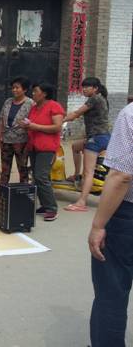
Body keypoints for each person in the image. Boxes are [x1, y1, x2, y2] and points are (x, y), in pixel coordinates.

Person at [88, 102, 133, 347]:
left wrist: (98, 225)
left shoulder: (130, 115)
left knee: (112, 291)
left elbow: (122, 175)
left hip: (127, 215)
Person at [63, 77, 110, 212]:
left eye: (87, 87)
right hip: (103, 137)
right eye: (83, 87)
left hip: (96, 139)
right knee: (75, 146)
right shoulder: (101, 98)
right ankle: (76, 174)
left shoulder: (94, 99)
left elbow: (76, 113)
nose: (84, 89)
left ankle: (81, 202)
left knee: (88, 172)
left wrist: (59, 121)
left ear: (95, 88)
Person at [19, 82, 64, 222]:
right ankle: (45, 205)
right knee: (38, 176)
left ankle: (52, 208)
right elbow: (32, 125)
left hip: (47, 147)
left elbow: (57, 127)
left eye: (35, 91)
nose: (33, 94)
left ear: (44, 93)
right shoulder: (34, 108)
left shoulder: (54, 106)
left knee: (41, 176)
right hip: (34, 146)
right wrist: (26, 126)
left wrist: (35, 126)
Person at [0, 76, 34, 185]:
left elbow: (33, 121)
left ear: (24, 89)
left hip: (21, 141)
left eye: (17, 88)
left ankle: (24, 190)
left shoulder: (30, 103)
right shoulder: (8, 102)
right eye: (13, 88)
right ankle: (3, 190)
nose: (14, 90)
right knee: (5, 169)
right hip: (6, 140)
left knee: (22, 168)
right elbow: (1, 120)